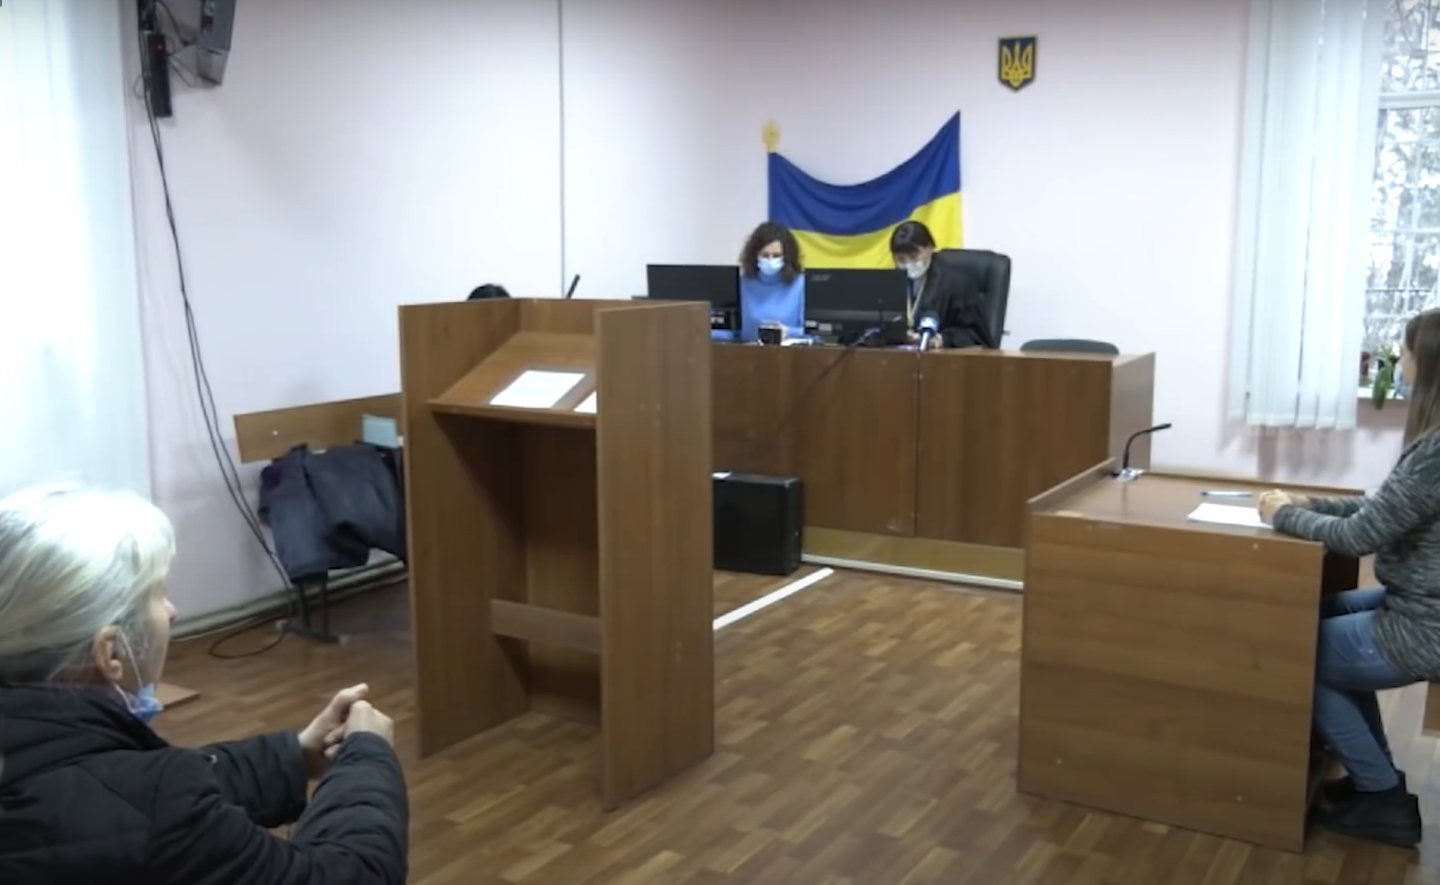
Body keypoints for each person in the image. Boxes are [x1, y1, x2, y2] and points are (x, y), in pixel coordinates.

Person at [0, 485, 409, 884]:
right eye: (158, 594)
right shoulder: (155, 808)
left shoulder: (37, 754)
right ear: (111, 653)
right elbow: (354, 873)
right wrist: (367, 757)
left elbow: (115, 794)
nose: (172, 612)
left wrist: (293, 756)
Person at [1258, 308, 1440, 848]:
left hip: (1425, 623)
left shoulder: (1435, 454)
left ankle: (1382, 797)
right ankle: (1375, 781)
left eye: (1405, 351)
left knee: (1296, 651)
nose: (1399, 361)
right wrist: (1306, 502)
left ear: (1428, 363)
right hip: (1417, 602)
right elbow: (1383, 509)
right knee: (1312, 618)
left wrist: (1282, 516)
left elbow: (1360, 536)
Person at [890, 220, 995, 349]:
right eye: (901, 259)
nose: (908, 264)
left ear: (930, 248)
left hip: (944, 357)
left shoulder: (957, 283)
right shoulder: (891, 283)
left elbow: (975, 335)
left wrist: (941, 339)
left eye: (914, 256)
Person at [736, 221, 805, 342]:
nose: (770, 260)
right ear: (754, 256)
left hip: (791, 351)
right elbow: (732, 330)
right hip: (747, 350)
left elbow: (815, 333)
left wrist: (788, 332)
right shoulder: (742, 284)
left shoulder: (801, 285)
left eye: (776, 255)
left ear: (787, 257)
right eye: (765, 255)